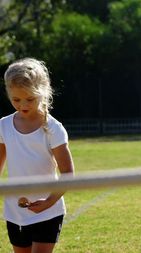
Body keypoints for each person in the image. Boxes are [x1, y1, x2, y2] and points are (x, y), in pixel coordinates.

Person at [0, 58, 74, 253]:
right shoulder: (3, 126)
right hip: (14, 212)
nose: (22, 105)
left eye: (30, 99)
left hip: (48, 212)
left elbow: (68, 172)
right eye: (16, 99)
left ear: (43, 92)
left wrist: (49, 202)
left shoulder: (53, 129)